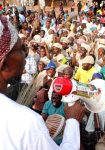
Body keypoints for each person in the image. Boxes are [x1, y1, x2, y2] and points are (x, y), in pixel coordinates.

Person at [0, 15, 85, 150]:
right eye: (22, 49)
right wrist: (73, 121)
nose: (26, 55)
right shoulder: (26, 122)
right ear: (4, 65)